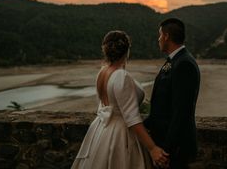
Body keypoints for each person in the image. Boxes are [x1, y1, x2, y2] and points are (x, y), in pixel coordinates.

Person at [72, 30, 169, 169]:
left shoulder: (103, 72)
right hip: (120, 135)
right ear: (127, 51)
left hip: (101, 130)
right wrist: (153, 148)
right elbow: (132, 119)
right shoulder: (121, 76)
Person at [144, 18, 201, 169]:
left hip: (175, 149)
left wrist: (167, 150)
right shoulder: (174, 61)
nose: (158, 39)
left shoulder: (184, 64)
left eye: (160, 35)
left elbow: (181, 112)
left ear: (167, 36)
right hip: (165, 143)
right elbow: (164, 105)